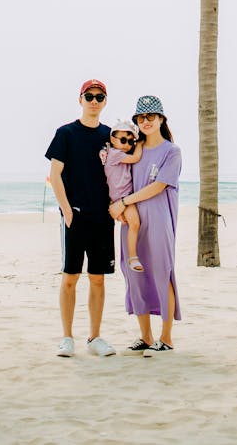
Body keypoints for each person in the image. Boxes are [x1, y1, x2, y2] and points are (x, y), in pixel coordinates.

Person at [45, 79, 116, 358]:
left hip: (103, 218)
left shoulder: (111, 136)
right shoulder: (65, 133)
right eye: (90, 96)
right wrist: (66, 211)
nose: (94, 101)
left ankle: (95, 338)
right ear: (80, 99)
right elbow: (55, 175)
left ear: (105, 101)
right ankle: (67, 338)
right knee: (70, 277)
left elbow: (121, 173)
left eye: (99, 97)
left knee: (98, 279)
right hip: (75, 217)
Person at [108, 95, 181, 355]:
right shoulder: (132, 150)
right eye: (141, 118)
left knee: (162, 274)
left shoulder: (171, 152)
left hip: (159, 220)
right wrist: (117, 206)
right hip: (132, 221)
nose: (146, 121)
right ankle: (146, 336)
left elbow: (159, 186)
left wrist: (124, 201)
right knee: (135, 276)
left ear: (161, 119)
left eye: (151, 116)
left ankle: (167, 337)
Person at [100, 119, 144, 272]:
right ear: (112, 139)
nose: (127, 144)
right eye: (123, 140)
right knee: (135, 224)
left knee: (133, 224)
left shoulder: (120, 153)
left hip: (121, 196)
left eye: (131, 141)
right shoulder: (115, 154)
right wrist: (139, 145)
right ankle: (132, 257)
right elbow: (136, 158)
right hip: (121, 197)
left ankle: (132, 256)